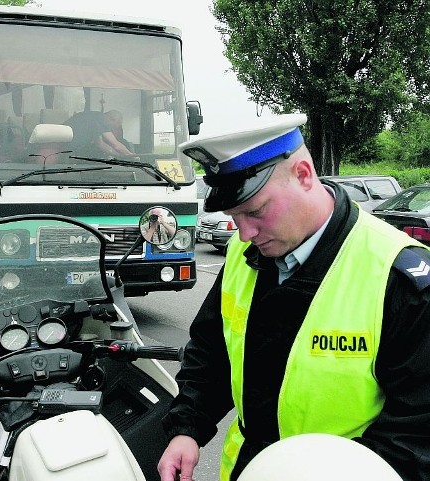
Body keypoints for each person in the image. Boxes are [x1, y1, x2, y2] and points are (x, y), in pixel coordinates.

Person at [157, 113, 430, 481]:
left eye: (255, 211)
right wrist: (186, 429)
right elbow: (213, 352)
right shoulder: (246, 254)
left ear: (303, 174)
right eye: (234, 216)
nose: (244, 233)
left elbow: (416, 433)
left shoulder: (398, 277)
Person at [65, 110, 138, 158]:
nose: (110, 129)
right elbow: (116, 145)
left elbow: (101, 145)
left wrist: (119, 155)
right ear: (112, 119)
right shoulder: (99, 119)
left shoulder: (94, 122)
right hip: (61, 146)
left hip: (69, 149)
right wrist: (131, 155)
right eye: (112, 127)